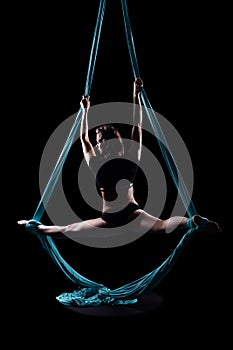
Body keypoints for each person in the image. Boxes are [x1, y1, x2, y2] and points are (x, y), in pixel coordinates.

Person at [17, 78, 221, 237]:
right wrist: (135, 96)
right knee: (163, 225)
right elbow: (136, 125)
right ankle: (192, 222)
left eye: (98, 139)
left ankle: (32, 226)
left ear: (101, 142)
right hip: (130, 214)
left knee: (68, 229)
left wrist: (85, 111)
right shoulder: (130, 155)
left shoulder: (96, 162)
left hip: (112, 217)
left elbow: (84, 139)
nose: (97, 142)